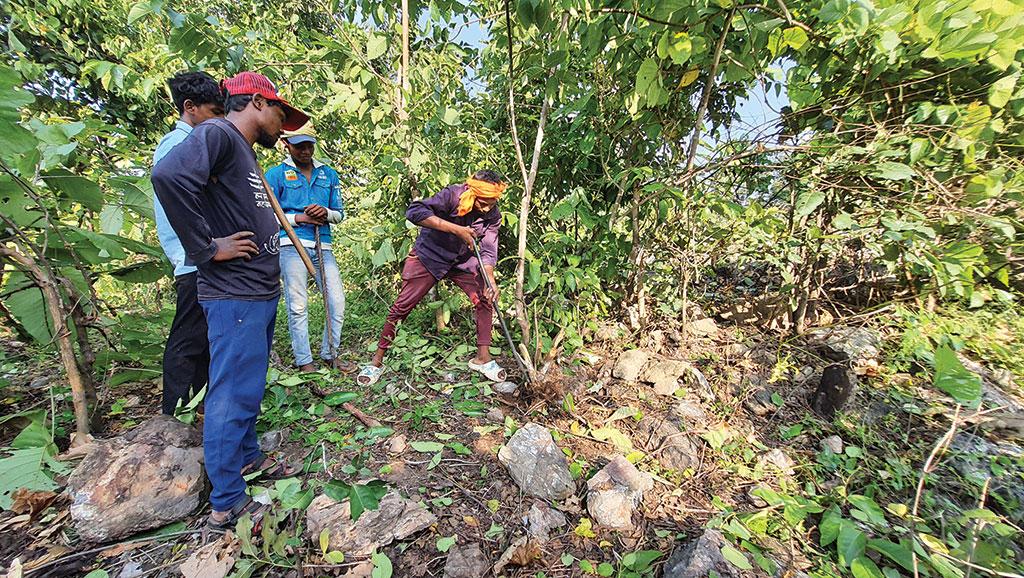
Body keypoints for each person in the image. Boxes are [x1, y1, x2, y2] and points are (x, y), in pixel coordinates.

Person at [151, 71, 309, 529]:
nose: (284, 126)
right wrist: (206, 248)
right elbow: (168, 176)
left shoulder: (240, 150)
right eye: (282, 114)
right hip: (233, 291)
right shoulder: (219, 133)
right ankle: (227, 500)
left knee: (248, 386)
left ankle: (247, 459)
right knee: (231, 391)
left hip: (256, 290)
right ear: (259, 102)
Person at [357, 171, 508, 386]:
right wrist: (456, 229)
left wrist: (490, 278)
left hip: (462, 261)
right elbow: (414, 212)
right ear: (473, 192)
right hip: (430, 256)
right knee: (402, 307)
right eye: (483, 202)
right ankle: (376, 363)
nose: (487, 207)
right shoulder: (453, 195)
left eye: (492, 202)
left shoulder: (493, 215)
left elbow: (489, 249)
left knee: (486, 296)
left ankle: (482, 358)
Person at [153, 71, 224, 416]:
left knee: (202, 339)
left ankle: (196, 408)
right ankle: (175, 413)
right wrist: (205, 247)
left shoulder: (195, 144)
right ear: (190, 108)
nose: (218, 122)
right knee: (188, 339)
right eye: (213, 113)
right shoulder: (178, 147)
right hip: (195, 258)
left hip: (200, 256)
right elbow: (173, 199)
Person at [264, 123, 352, 373]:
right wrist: (299, 219)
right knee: (298, 304)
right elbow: (267, 215)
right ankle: (305, 361)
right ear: (287, 146)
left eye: (309, 145)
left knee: (336, 301)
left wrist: (325, 213)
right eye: (299, 146)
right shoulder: (276, 174)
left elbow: (339, 214)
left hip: (323, 245)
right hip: (291, 245)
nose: (305, 151)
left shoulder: (328, 174)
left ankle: (330, 353)